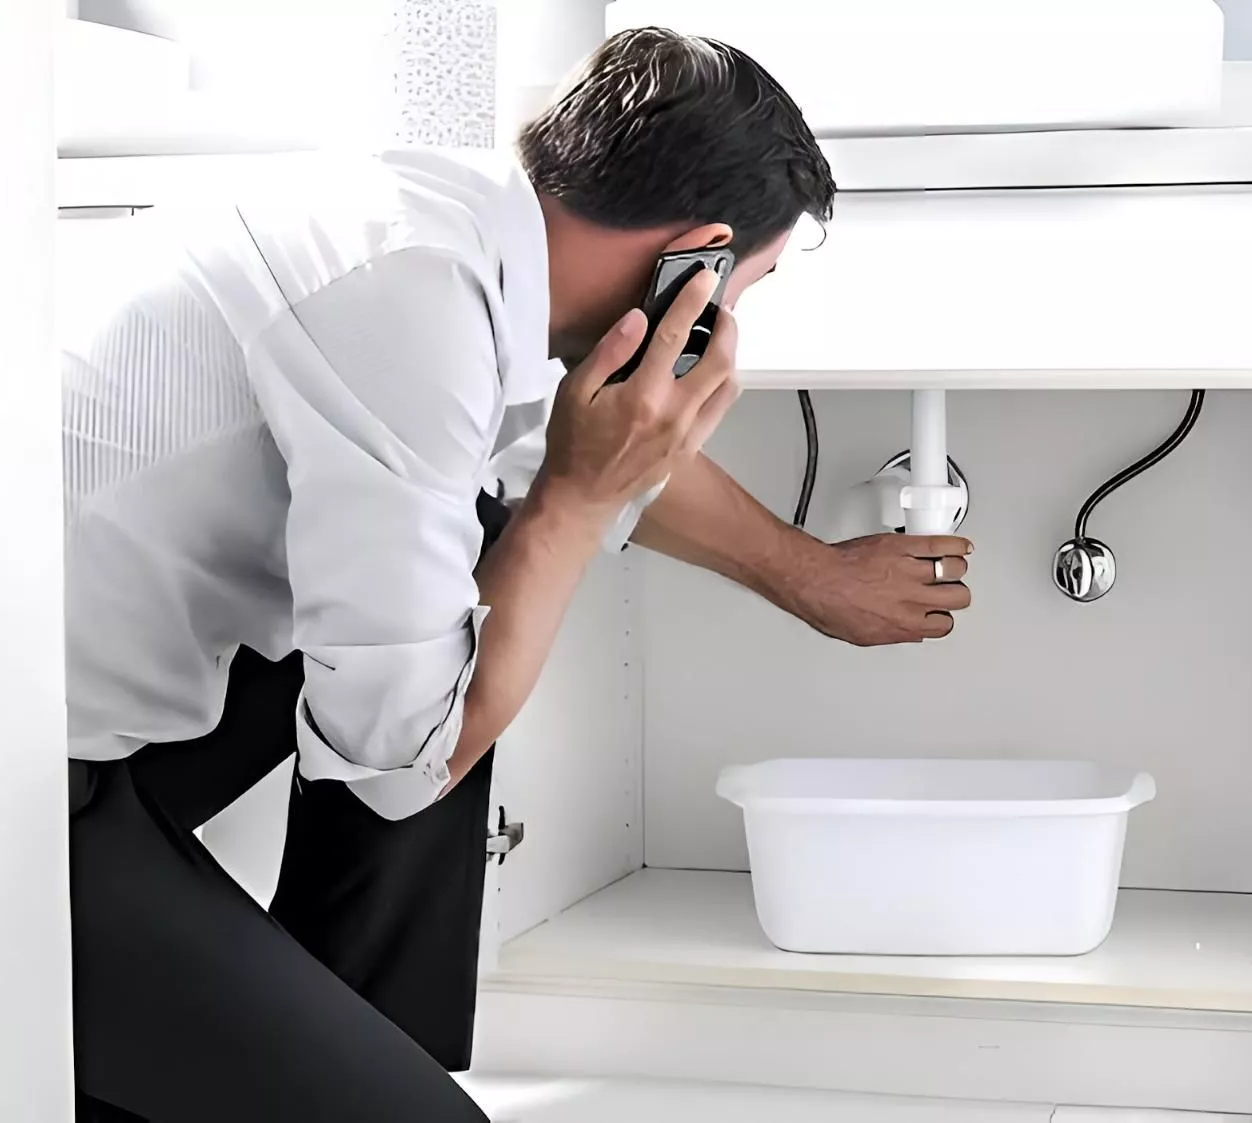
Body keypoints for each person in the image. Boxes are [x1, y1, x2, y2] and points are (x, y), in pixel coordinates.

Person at [61, 27, 973, 1123]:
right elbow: (398, 767)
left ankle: (342, 1032)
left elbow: (542, 440)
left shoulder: (443, 229)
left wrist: (808, 573)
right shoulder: (411, 309)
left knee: (479, 541)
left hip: (47, 709)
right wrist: (572, 509)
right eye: (752, 283)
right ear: (701, 259)